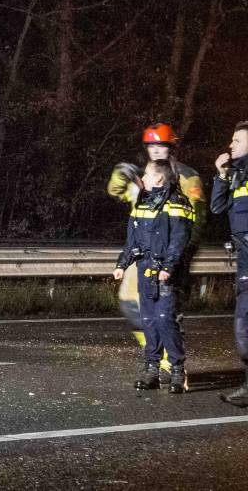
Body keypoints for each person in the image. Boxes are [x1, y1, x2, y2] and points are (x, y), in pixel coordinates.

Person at [106, 123, 206, 376]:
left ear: (171, 148)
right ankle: (154, 358)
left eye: (161, 145)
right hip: (142, 253)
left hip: (171, 254)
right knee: (135, 306)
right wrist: (121, 173)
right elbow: (115, 191)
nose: (156, 151)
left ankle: (173, 366)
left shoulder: (185, 176)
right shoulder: (141, 176)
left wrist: (181, 257)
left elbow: (195, 219)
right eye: (152, 146)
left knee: (167, 313)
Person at [113, 159, 193, 393]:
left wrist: (168, 267)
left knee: (165, 320)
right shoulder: (142, 203)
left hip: (166, 274)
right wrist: (122, 264)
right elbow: (132, 240)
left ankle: (178, 371)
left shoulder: (178, 204)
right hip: (145, 271)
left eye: (147, 174)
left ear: (159, 178)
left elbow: (178, 241)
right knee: (148, 321)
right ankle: (152, 370)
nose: (143, 178)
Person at [213, 121, 248, 406]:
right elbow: (217, 207)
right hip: (244, 261)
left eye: (236, 140)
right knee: (243, 325)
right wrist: (221, 175)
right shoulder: (237, 175)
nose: (230, 145)